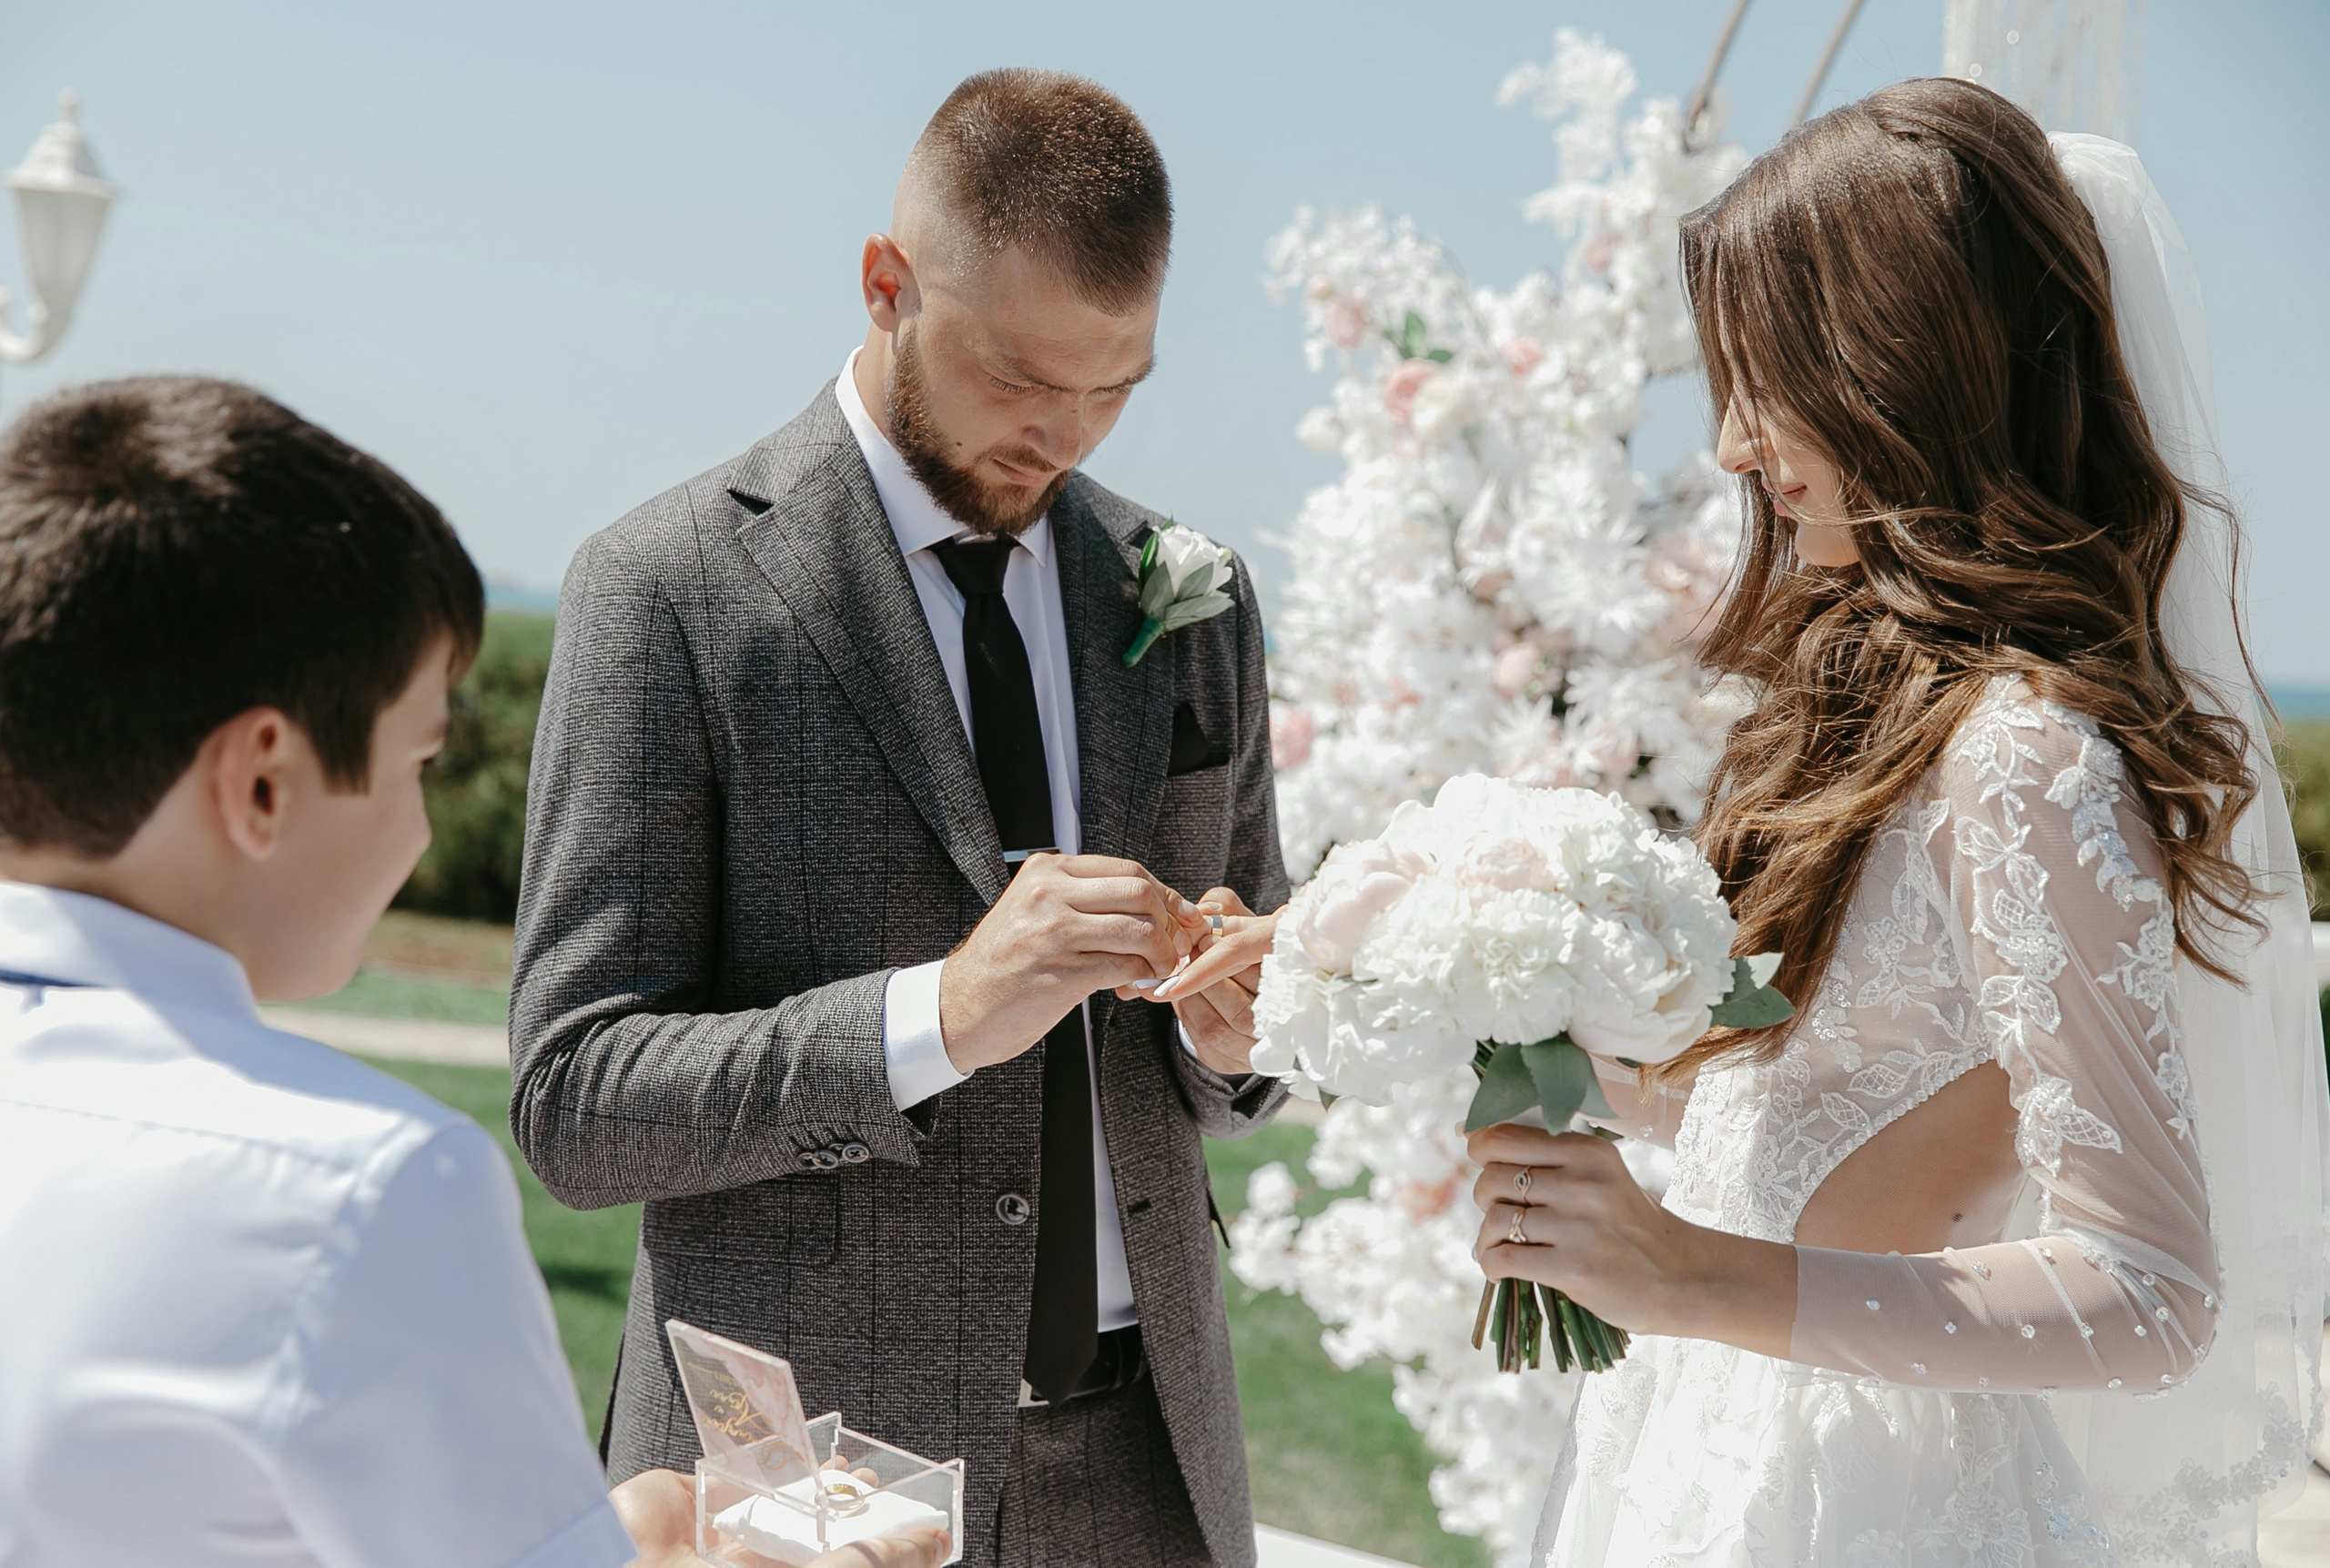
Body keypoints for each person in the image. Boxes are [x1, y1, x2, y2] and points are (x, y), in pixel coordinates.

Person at [1174, 78, 2330, 1564]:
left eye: (1767, 377)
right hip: (1691, 1444)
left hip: (1872, 1498)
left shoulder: (2026, 762)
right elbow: (1763, 1102)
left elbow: (2153, 1292)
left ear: (1905, 365)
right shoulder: (1860, 718)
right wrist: (1351, 993)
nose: (1729, 444)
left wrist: (1689, 1275)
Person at [511, 68, 1285, 1568]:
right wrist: (939, 1014)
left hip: (1152, 1466)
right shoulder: (663, 592)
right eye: (1019, 376)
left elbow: (1234, 1040)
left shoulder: (1190, 599)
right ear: (886, 284)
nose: (1066, 434)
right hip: (790, 1481)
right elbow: (574, 1100)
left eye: (1115, 384)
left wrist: (1241, 1032)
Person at [0, 376, 947, 1568]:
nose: (421, 832)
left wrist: (625, 1540)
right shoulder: (359, 1190)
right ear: (260, 783)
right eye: (419, 761)